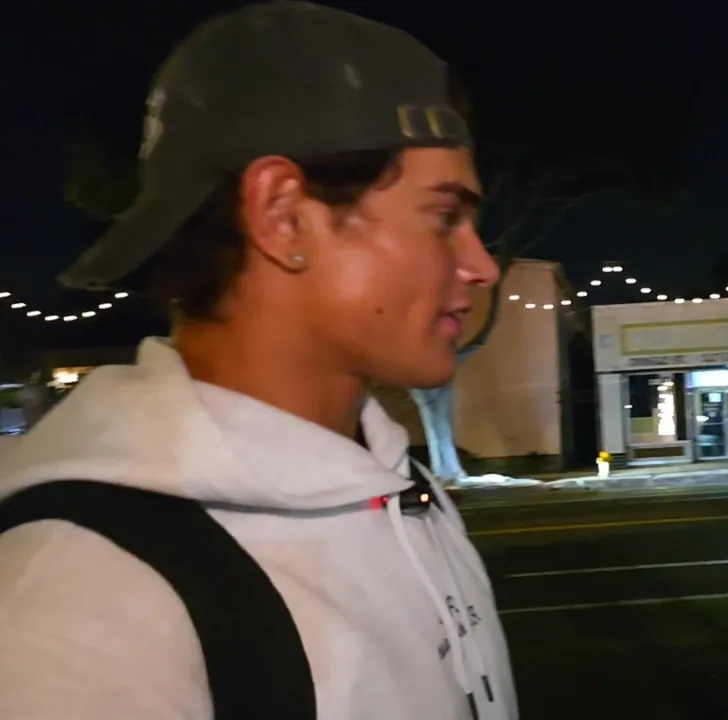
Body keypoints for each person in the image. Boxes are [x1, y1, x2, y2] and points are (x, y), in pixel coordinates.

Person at [0, 3, 515, 719]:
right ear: (283, 215)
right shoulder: (82, 610)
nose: (482, 266)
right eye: (444, 216)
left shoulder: (406, 491)